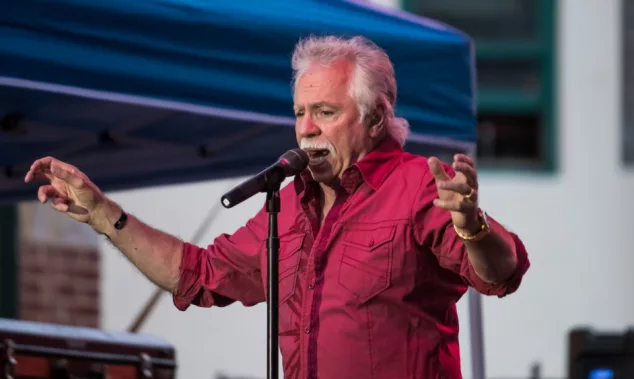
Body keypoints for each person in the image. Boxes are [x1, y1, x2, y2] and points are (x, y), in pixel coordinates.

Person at [24, 35, 530, 379]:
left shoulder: (418, 185)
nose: (306, 128)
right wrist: (101, 215)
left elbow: (502, 272)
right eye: (300, 113)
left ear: (376, 118)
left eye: (325, 112)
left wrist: (473, 225)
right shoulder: (287, 204)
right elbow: (197, 274)